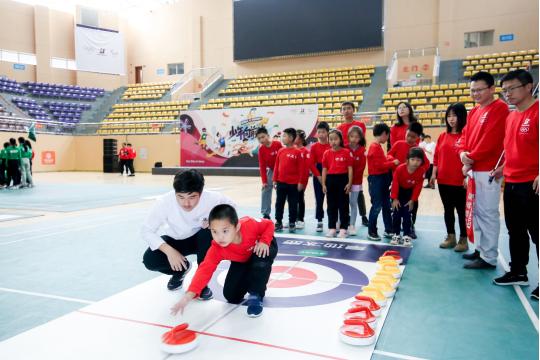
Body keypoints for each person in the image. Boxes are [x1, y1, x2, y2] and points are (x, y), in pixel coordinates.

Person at [170, 204, 278, 317]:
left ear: (237, 227)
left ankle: (256, 295)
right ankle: (251, 273)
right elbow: (204, 270)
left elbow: (269, 224)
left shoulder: (249, 224)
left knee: (260, 259)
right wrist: (188, 296)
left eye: (225, 231)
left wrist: (264, 241)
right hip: (243, 258)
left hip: (263, 246)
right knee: (232, 296)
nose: (219, 237)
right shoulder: (216, 248)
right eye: (214, 232)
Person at [141, 169, 235, 298]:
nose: (186, 203)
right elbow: (146, 230)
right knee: (150, 260)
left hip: (199, 238)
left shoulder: (213, 198)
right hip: (175, 240)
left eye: (192, 197)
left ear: (201, 193)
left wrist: (214, 221)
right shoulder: (164, 202)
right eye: (180, 197)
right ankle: (181, 270)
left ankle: (200, 283)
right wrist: (169, 251)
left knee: (207, 234)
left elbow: (231, 207)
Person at [491, 70, 538, 300]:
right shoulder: (511, 117)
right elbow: (512, 149)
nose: (507, 93)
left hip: (533, 184)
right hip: (511, 182)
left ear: (529, 86)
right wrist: (503, 168)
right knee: (516, 231)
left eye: (512, 88)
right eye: (505, 90)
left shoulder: (537, 112)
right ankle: (518, 271)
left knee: (537, 233)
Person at [458, 71, 509, 270]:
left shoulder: (500, 109)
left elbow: (491, 141)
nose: (475, 93)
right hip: (473, 169)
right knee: (476, 211)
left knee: (487, 213)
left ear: (491, 89)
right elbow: (464, 136)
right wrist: (462, 153)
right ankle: (479, 248)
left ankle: (489, 257)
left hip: (488, 170)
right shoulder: (474, 111)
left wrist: (469, 158)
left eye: (479, 90)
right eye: (472, 90)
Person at [431, 103, 469, 251]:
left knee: (461, 211)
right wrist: (434, 174)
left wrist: (467, 177)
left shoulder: (466, 136)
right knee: (448, 210)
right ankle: (450, 237)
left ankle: (463, 240)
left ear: (462, 117)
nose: (451, 119)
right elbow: (436, 157)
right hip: (444, 180)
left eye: (455, 115)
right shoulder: (442, 136)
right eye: (449, 116)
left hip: (460, 181)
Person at [387, 121, 429, 239]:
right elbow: (389, 155)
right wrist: (392, 160)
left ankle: (410, 227)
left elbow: (426, 165)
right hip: (397, 181)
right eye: (408, 135)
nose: (410, 138)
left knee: (412, 206)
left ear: (419, 137)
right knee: (396, 206)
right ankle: (395, 229)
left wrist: (419, 171)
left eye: (413, 137)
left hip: (412, 184)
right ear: (405, 132)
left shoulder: (419, 150)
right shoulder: (398, 144)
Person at [367, 123, 398, 241]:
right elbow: (379, 165)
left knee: (386, 205)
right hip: (376, 180)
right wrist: (393, 163)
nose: (388, 138)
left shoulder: (378, 146)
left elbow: (381, 161)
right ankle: (372, 231)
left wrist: (389, 159)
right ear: (384, 134)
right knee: (377, 206)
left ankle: (388, 229)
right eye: (388, 136)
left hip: (382, 179)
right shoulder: (374, 147)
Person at [390, 148, 425, 247]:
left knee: (407, 215)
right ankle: (396, 234)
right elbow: (395, 183)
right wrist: (395, 199)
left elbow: (418, 186)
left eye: (418, 160)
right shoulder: (400, 168)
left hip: (409, 194)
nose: (415, 162)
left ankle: (406, 235)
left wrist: (413, 200)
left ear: (422, 161)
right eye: (413, 159)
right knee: (396, 214)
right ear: (408, 160)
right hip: (398, 192)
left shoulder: (421, 171)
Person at [273, 128, 306, 233]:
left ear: (291, 138)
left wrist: (301, 182)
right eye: (282, 136)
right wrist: (274, 179)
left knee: (293, 203)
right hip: (281, 182)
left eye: (285, 136)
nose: (282, 138)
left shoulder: (298, 152)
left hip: (293, 184)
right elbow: (276, 166)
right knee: (279, 203)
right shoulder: (281, 151)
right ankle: (278, 221)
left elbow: (302, 168)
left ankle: (292, 222)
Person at [322, 129, 353, 238]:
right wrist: (323, 184)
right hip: (330, 180)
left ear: (340, 140)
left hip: (343, 179)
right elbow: (324, 169)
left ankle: (344, 228)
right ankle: (332, 228)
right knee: (331, 206)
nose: (333, 141)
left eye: (335, 139)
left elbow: (350, 169)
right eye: (331, 139)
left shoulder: (346, 152)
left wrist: (349, 183)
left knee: (343, 205)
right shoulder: (326, 153)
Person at [294, 129, 321, 230]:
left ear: (301, 139)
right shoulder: (292, 149)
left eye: (295, 136)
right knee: (292, 200)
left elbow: (308, 167)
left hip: (301, 180)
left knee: (300, 199)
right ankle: (293, 219)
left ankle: (300, 219)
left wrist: (302, 182)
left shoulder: (305, 151)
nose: (293, 138)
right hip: (291, 180)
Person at [256, 127, 283, 220]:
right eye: (259, 138)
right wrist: (264, 181)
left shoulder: (277, 144)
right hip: (272, 170)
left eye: (263, 137)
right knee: (265, 188)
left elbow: (284, 158)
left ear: (268, 136)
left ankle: (295, 215)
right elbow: (262, 167)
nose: (261, 140)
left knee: (286, 190)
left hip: (282, 169)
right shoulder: (261, 150)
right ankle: (266, 214)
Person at [310, 121, 331, 232]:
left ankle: (333, 221)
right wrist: (318, 176)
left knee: (331, 199)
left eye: (323, 132)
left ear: (327, 133)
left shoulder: (331, 145)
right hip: (318, 172)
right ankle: (319, 220)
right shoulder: (314, 147)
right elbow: (311, 164)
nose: (321, 134)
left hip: (331, 172)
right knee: (319, 199)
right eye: (319, 132)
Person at [347, 125, 368, 235]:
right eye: (352, 136)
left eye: (356, 137)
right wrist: (347, 180)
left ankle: (352, 225)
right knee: (343, 203)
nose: (354, 139)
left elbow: (361, 168)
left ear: (360, 138)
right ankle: (340, 223)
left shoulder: (362, 151)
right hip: (344, 181)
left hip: (356, 181)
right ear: (348, 137)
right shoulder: (345, 148)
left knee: (353, 202)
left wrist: (352, 181)